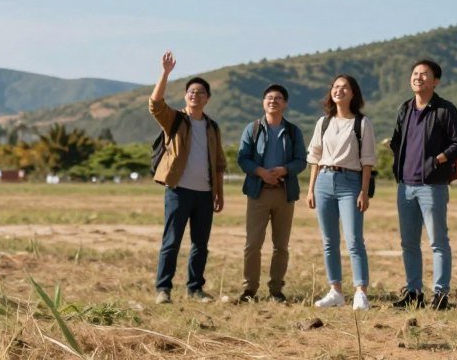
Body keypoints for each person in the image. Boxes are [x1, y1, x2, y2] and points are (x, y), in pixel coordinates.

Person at [389, 59, 457, 310]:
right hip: (405, 186)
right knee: (408, 243)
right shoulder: (405, 109)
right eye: (415, 73)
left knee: (438, 242)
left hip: (432, 186)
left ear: (436, 81)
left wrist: (438, 160)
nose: (418, 78)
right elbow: (396, 141)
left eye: (424, 74)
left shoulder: (445, 109)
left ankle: (441, 294)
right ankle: (413, 292)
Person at [150, 51, 226, 305]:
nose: (195, 95)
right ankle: (163, 289)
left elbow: (218, 164)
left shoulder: (212, 127)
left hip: (204, 194)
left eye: (200, 92)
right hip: (178, 190)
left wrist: (219, 194)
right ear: (185, 96)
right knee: (171, 242)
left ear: (208, 98)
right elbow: (155, 104)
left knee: (200, 245)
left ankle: (195, 289)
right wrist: (165, 73)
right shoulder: (176, 119)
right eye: (191, 91)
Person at [306, 75, 376, 310]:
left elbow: (367, 161)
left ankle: (360, 292)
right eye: (336, 87)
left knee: (354, 240)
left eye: (345, 87)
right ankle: (335, 290)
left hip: (350, 182)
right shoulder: (323, 122)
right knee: (329, 241)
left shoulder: (362, 123)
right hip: (323, 180)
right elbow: (314, 156)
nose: (339, 90)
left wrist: (364, 191)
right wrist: (311, 189)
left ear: (353, 93)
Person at [236, 84, 307, 303]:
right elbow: (243, 158)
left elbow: (301, 161)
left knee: (281, 246)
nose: (273, 101)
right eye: (269, 97)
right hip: (259, 192)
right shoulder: (253, 128)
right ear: (263, 102)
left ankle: (276, 290)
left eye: (278, 98)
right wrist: (260, 172)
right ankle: (250, 289)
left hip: (284, 193)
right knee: (253, 243)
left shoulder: (293, 131)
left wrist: (285, 170)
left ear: (285, 104)